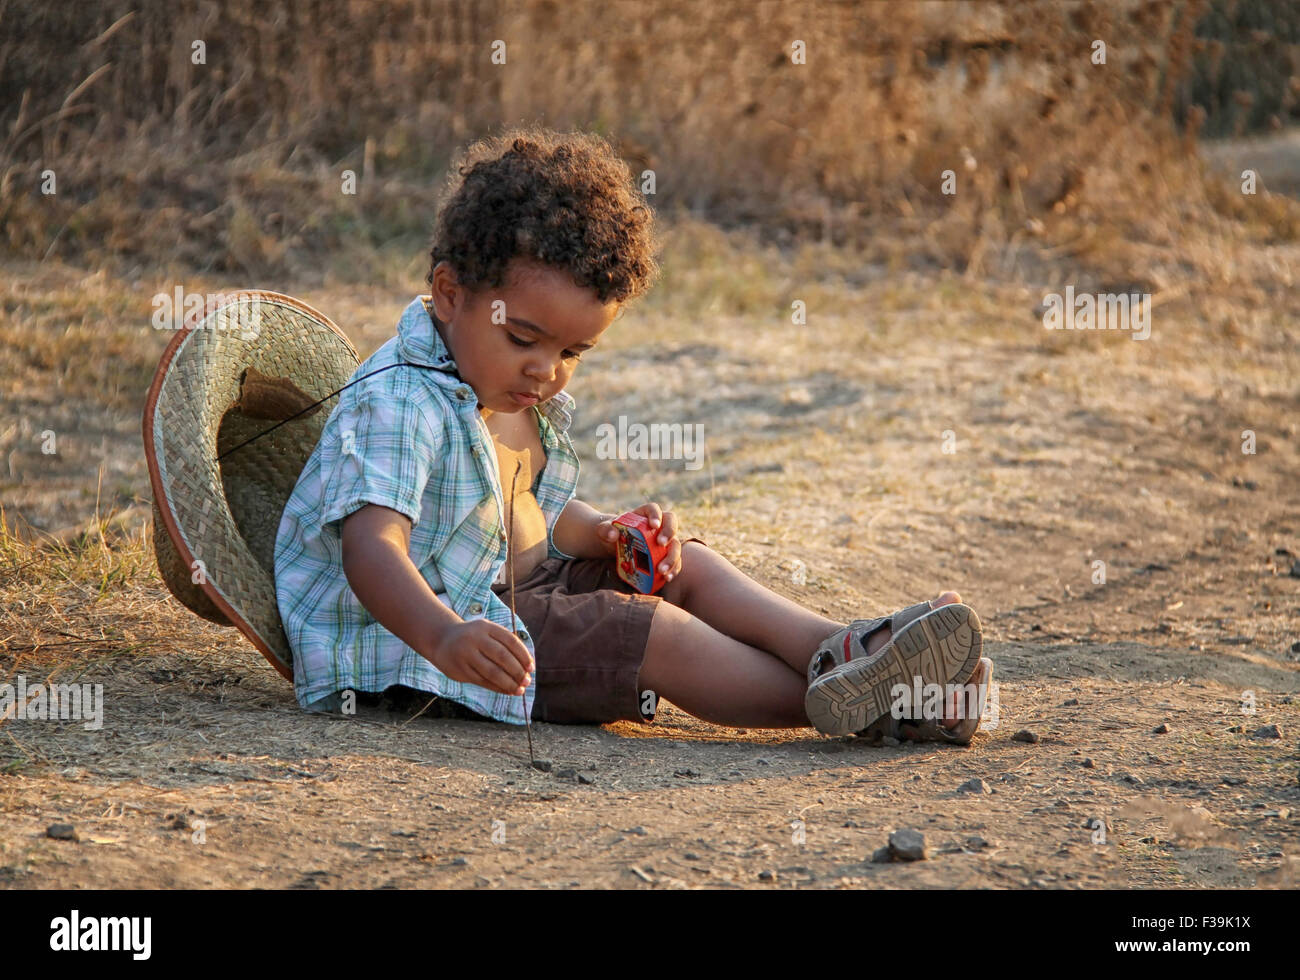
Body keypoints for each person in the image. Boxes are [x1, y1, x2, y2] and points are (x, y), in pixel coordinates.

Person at [274, 125, 993, 744]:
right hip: (446, 639)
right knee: (647, 630)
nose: (547, 370)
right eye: (525, 338)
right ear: (450, 293)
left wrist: (607, 534)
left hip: (518, 585)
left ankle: (841, 650)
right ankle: (883, 706)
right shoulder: (399, 400)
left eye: (570, 353)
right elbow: (373, 548)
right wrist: (443, 637)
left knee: (688, 569)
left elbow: (523, 510)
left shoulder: (495, 373)